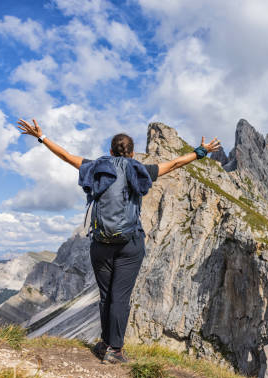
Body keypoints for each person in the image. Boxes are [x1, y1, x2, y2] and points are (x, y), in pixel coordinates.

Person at [16, 118, 221, 364]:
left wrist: (42, 136)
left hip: (100, 245)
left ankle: (104, 343)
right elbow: (176, 163)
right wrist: (201, 152)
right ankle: (116, 350)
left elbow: (67, 157)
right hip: (130, 244)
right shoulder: (139, 169)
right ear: (132, 153)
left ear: (110, 151)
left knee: (105, 296)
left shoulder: (96, 167)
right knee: (120, 297)